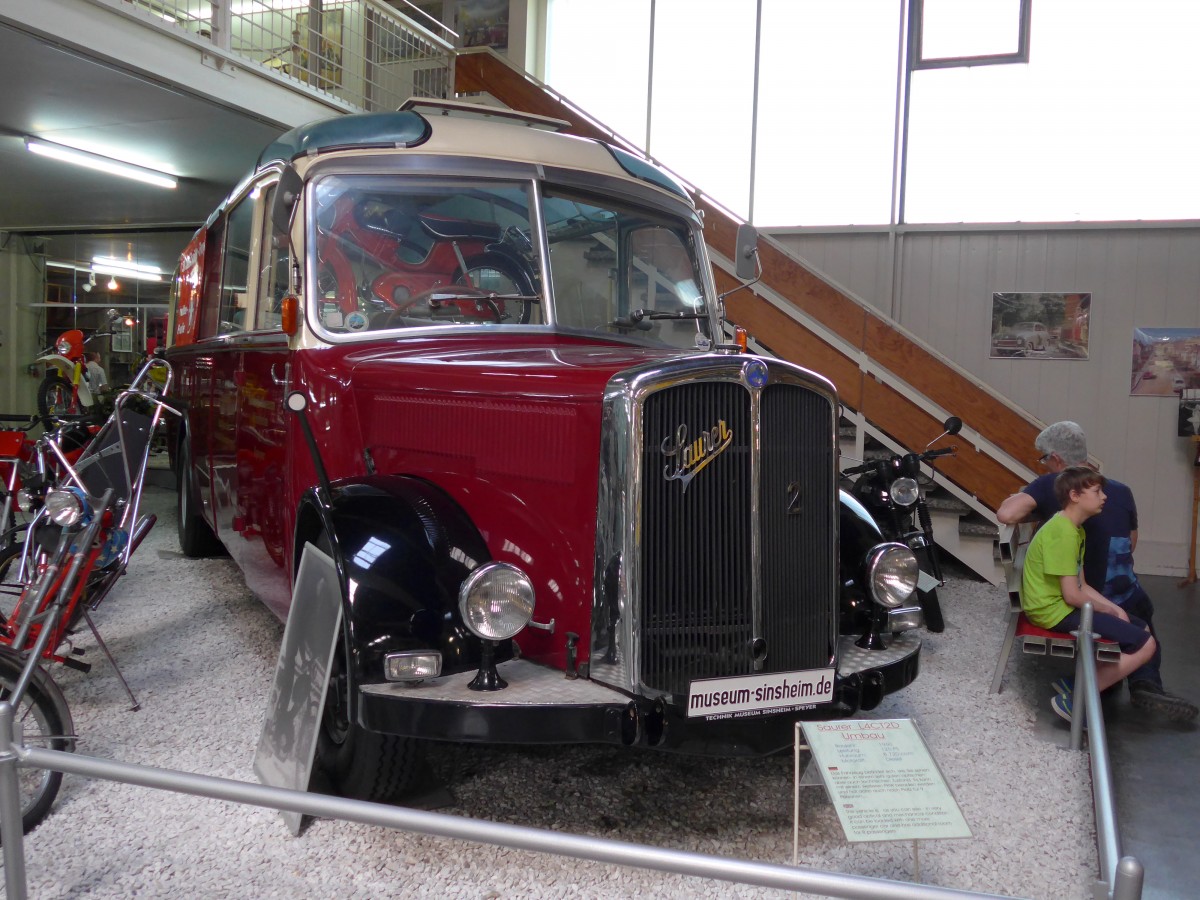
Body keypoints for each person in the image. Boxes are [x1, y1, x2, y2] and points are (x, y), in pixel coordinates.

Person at [998, 421, 1197, 720]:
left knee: (1135, 624)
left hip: (1081, 592)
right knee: (1141, 611)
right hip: (1108, 590)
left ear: (1056, 459)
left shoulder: (1056, 486)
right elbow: (1131, 544)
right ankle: (1143, 682)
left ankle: (1086, 688)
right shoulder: (1118, 491)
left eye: (1044, 459)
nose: (1102, 497)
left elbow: (1006, 513)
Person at [1019, 466, 1157, 722]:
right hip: (1053, 612)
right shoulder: (1063, 533)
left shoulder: (1074, 529)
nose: (1104, 497)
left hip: (1060, 606)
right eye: (1097, 491)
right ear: (1075, 495)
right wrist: (1108, 610)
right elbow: (1072, 596)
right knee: (1146, 645)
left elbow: (1081, 584)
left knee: (1142, 628)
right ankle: (1074, 700)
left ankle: (1074, 684)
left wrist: (1115, 610)